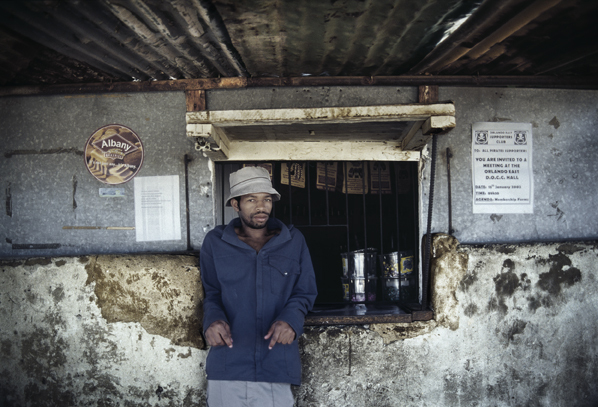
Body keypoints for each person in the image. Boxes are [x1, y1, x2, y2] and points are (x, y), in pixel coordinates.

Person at [200, 166, 318, 407]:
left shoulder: (293, 241)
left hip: (275, 365)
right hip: (228, 364)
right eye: (251, 200)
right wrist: (212, 321)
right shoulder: (215, 242)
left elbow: (304, 292)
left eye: (267, 199)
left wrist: (291, 320)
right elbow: (211, 293)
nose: (261, 207)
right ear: (236, 204)